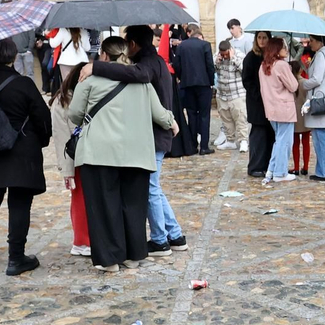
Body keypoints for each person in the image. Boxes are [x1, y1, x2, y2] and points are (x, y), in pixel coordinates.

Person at [69, 36, 175, 272]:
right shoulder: (142, 83)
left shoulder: (89, 80)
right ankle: (132, 255)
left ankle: (109, 259)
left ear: (105, 55)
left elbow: (74, 114)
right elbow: (160, 114)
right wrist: (172, 122)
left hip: (98, 152)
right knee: (133, 206)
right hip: (136, 153)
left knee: (103, 207)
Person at [88, 24, 186, 257]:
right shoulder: (155, 61)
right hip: (156, 134)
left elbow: (138, 75)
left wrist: (96, 67)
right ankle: (175, 235)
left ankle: (160, 240)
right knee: (154, 187)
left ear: (132, 44)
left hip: (154, 135)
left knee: (150, 188)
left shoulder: (148, 64)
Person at [0, 38, 52, 276]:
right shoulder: (23, 84)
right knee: (20, 202)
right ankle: (16, 258)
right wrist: (41, 141)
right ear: (13, 56)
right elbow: (43, 119)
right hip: (21, 148)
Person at [49, 64, 90, 259]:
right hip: (77, 156)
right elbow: (61, 137)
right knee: (80, 199)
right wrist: (67, 171)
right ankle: (82, 241)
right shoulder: (62, 101)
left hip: (92, 154)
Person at [258, 37, 301, 184]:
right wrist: (291, 71)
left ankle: (272, 170)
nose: (286, 50)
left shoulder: (264, 66)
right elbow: (293, 86)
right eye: (284, 47)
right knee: (285, 142)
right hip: (284, 109)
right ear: (276, 49)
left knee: (279, 141)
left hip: (271, 109)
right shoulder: (282, 65)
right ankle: (280, 173)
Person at [301, 34, 325, 180]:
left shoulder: (320, 56)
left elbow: (317, 79)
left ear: (319, 41)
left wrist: (303, 83)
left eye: (312, 41)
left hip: (321, 101)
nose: (309, 43)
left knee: (320, 136)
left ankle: (324, 171)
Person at [173, 23, 216, 155]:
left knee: (191, 114)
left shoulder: (181, 46)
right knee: (204, 115)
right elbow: (210, 65)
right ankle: (204, 146)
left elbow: (176, 65)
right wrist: (211, 82)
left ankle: (192, 145)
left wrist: (182, 77)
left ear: (190, 34)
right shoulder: (205, 45)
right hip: (203, 84)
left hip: (187, 84)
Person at [242, 30, 274, 177]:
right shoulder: (251, 57)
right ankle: (255, 166)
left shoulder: (271, 57)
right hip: (257, 102)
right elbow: (247, 80)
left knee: (270, 134)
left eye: (264, 38)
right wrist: (259, 94)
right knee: (258, 135)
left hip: (270, 101)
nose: (261, 40)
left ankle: (268, 164)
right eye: (259, 37)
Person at [214, 38, 249, 151]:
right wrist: (216, 62)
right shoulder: (217, 56)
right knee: (226, 120)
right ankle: (230, 140)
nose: (225, 56)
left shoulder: (240, 55)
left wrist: (233, 58)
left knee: (240, 118)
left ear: (230, 49)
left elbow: (244, 69)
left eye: (226, 54)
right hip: (222, 94)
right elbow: (211, 70)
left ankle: (243, 141)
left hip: (237, 93)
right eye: (222, 54)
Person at [290, 56, 312, 176]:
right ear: (300, 70)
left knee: (295, 143)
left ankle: (296, 167)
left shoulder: (290, 84)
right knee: (306, 142)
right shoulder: (305, 83)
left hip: (293, 115)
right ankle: (306, 167)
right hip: (305, 114)